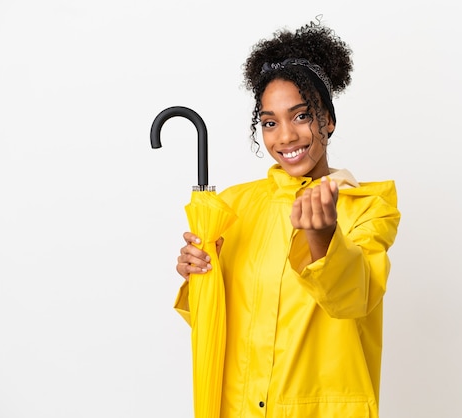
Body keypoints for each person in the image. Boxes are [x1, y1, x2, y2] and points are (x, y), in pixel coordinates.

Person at [175, 19, 400, 418]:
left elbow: (354, 299)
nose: (285, 137)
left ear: (327, 120)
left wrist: (325, 238)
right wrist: (198, 280)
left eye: (300, 116)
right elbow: (215, 323)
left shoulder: (367, 206)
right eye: (269, 122)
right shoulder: (232, 206)